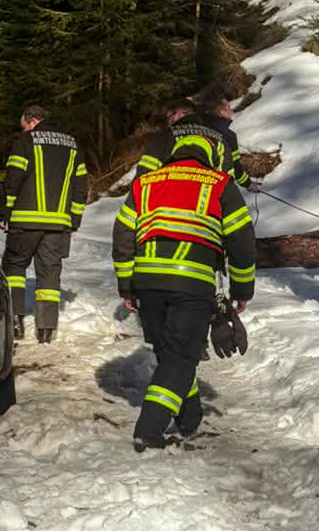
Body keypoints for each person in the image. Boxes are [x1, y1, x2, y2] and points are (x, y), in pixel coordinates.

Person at [112, 135, 256, 452]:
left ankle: (190, 417)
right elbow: (242, 239)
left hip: (148, 282)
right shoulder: (219, 183)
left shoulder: (146, 182)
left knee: (170, 353)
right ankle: (149, 430)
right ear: (210, 157)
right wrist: (242, 288)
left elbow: (122, 232)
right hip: (192, 283)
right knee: (180, 356)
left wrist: (127, 284)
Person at [0, 106, 87, 343]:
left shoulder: (26, 141)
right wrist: (74, 219)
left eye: (24, 125)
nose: (24, 130)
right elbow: (81, 186)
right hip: (58, 223)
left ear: (32, 121)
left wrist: (4, 211)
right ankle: (46, 330)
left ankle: (15, 321)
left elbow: (13, 179)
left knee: (14, 266)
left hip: (25, 220)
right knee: (49, 272)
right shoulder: (72, 145)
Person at [134, 99, 236, 182]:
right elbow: (227, 178)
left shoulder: (162, 138)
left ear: (179, 115)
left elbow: (143, 178)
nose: (168, 122)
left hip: (169, 198)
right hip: (208, 198)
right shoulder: (218, 138)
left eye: (169, 117)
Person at [198, 97, 260, 193]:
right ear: (223, 112)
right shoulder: (228, 136)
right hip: (213, 185)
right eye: (229, 108)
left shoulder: (197, 127)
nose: (231, 111)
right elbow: (234, 166)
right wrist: (247, 183)